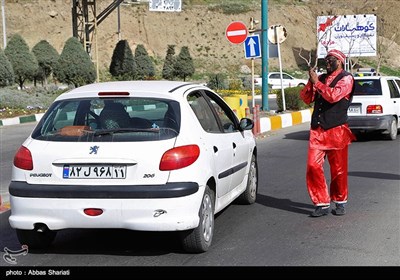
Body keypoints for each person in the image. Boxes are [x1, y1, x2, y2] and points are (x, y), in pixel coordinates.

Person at [299, 49, 356, 217]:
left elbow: (333, 96)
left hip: (337, 130)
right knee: (312, 166)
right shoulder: (321, 79)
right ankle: (321, 202)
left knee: (338, 169)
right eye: (326, 60)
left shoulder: (346, 78)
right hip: (318, 130)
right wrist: (311, 82)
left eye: (331, 60)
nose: (328, 63)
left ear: (340, 61)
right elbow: (307, 98)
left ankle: (340, 201)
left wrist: (317, 82)